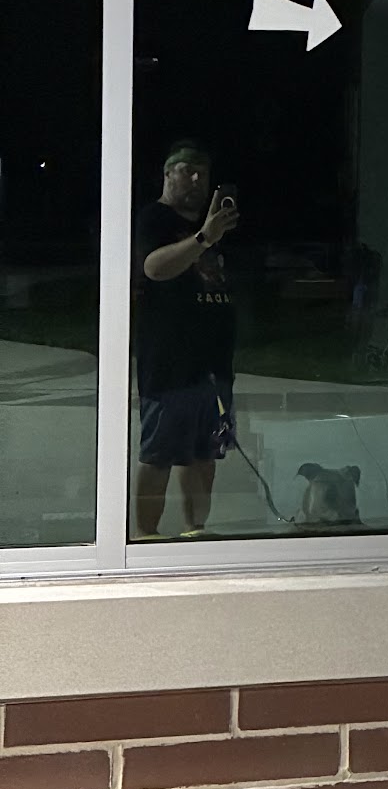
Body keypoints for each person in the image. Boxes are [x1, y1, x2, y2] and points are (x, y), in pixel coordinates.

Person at [134, 140, 239, 538]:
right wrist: (202, 240)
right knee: (159, 454)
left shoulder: (218, 225)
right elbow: (153, 267)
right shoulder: (155, 219)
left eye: (203, 173)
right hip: (168, 363)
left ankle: (195, 531)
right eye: (186, 171)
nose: (196, 179)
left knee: (203, 454)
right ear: (167, 175)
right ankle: (146, 537)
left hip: (214, 365)